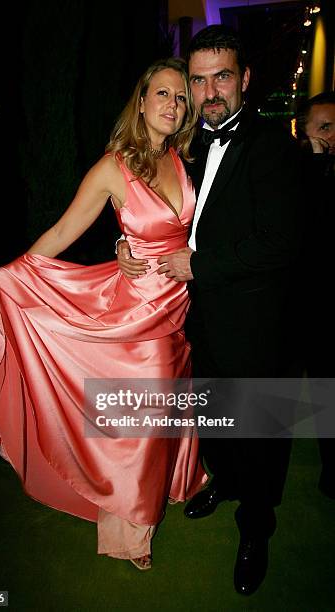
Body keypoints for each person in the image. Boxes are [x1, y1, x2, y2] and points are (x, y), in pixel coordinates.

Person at [0, 58, 207, 571]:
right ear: (140, 103)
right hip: (137, 312)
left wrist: (133, 240)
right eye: (162, 94)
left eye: (180, 97)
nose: (173, 104)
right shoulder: (112, 167)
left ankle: (179, 479)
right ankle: (131, 525)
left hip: (180, 304)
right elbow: (60, 233)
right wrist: (7, 276)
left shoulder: (188, 158)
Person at [118, 25, 304, 594]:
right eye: (196, 81)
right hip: (196, 317)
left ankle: (257, 528)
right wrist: (125, 242)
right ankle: (223, 480)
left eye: (221, 76)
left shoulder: (274, 145)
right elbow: (157, 211)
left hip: (256, 321)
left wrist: (201, 266)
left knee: (262, 430)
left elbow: (281, 241)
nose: (208, 91)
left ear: (244, 78)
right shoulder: (186, 147)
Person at [295, 91, 335, 499]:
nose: (333, 135)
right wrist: (318, 162)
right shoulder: (296, 173)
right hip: (306, 305)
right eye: (324, 127)